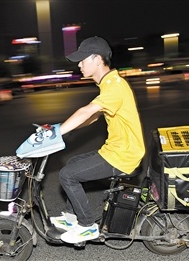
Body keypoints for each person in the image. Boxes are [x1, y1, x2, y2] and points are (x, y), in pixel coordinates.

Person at [47, 36, 146, 244]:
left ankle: (87, 226)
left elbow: (88, 110)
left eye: (83, 59)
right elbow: (92, 118)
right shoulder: (109, 83)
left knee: (67, 175)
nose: (79, 65)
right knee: (73, 163)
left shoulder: (115, 86)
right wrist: (61, 128)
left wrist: (57, 134)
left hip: (123, 156)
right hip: (115, 150)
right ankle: (72, 217)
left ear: (97, 59)